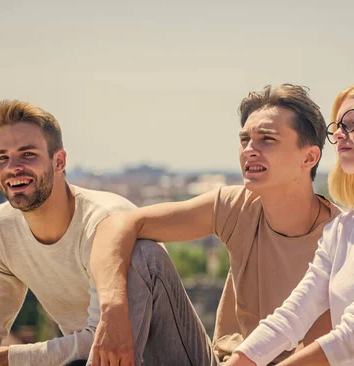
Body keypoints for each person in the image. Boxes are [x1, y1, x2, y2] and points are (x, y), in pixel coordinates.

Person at [0, 100, 216, 366]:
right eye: (3, 158)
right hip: (89, 361)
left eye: (28, 155)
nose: (13, 167)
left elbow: (103, 339)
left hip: (177, 359)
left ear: (59, 161)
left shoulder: (106, 221)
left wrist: (2, 358)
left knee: (143, 251)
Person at [89, 84, 340, 364]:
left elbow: (321, 354)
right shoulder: (236, 206)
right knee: (145, 256)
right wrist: (113, 310)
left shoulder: (343, 238)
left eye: (267, 139)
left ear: (309, 157)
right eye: (245, 139)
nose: (250, 150)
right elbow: (118, 224)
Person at [225, 81, 354, 366]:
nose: (339, 134)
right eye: (336, 125)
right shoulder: (342, 230)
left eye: (352, 121)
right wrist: (240, 359)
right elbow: (291, 316)